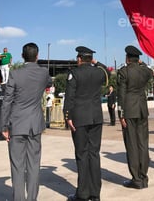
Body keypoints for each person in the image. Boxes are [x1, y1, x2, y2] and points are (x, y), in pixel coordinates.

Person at [0, 42, 50, 201]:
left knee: (17, 166)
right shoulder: (43, 73)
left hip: (17, 124)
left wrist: (3, 126)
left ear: (22, 56)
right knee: (34, 166)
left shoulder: (15, 74)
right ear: (37, 56)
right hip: (35, 125)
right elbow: (49, 83)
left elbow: (7, 101)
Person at [63, 46, 109, 201]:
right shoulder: (98, 72)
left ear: (79, 59)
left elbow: (69, 96)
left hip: (79, 118)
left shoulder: (74, 73)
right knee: (94, 154)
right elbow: (107, 73)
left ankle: (82, 194)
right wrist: (97, 63)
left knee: (82, 154)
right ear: (91, 59)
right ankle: (95, 194)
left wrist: (67, 115)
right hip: (96, 117)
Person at [117, 45, 153, 189]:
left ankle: (136, 179)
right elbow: (149, 71)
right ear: (138, 59)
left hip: (129, 110)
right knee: (143, 144)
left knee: (132, 145)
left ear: (127, 58)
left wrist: (121, 114)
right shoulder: (145, 71)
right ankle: (144, 176)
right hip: (142, 109)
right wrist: (141, 63)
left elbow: (121, 95)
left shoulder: (123, 72)